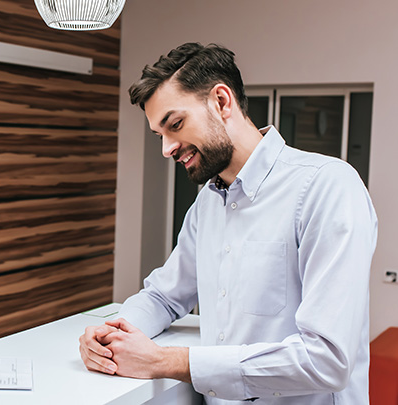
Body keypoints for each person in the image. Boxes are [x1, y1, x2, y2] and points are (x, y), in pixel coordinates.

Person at [79, 43, 377, 404]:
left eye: (175, 125)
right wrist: (114, 334)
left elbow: (327, 360)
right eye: (160, 135)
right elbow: (163, 294)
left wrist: (167, 362)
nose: (167, 149)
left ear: (222, 101)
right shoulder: (208, 201)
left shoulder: (327, 186)